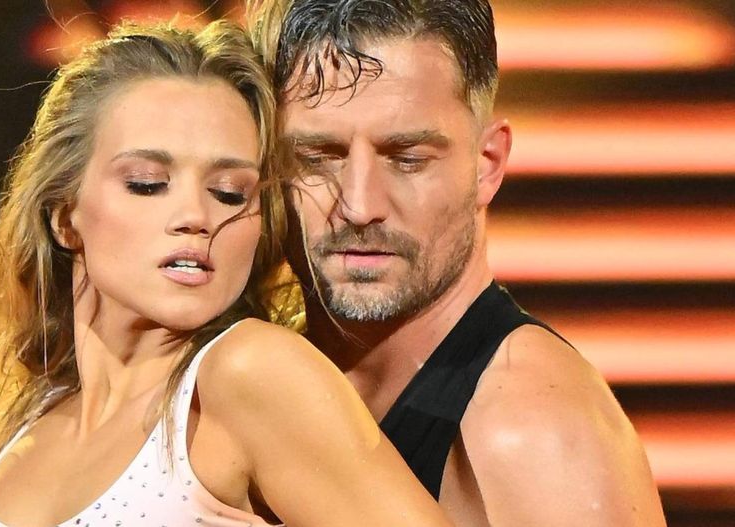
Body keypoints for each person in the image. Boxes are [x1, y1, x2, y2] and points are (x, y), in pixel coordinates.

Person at [0, 20, 452, 527]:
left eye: (229, 193)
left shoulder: (250, 372)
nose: (197, 217)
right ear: (65, 216)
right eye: (147, 183)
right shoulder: (36, 419)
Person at [249, 1, 667, 525]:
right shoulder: (261, 378)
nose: (359, 205)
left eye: (407, 159)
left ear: (487, 165)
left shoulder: (535, 432)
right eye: (318, 158)